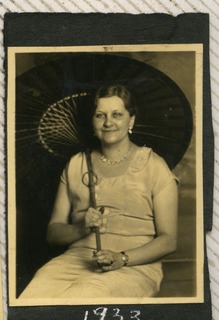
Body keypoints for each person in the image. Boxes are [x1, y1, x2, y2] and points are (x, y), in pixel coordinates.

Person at [20, 84, 178, 299]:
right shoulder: (77, 164)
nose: (108, 123)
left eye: (117, 115)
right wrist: (81, 228)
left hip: (133, 265)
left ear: (131, 120)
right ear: (92, 122)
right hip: (76, 260)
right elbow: (53, 233)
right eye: (100, 115)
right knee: (35, 293)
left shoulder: (154, 166)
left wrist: (121, 258)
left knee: (85, 295)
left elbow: (169, 240)